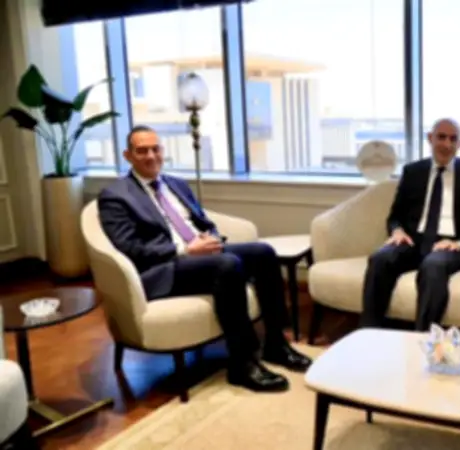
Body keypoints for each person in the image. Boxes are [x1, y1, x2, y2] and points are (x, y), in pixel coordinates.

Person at [98, 125, 311, 393]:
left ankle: (276, 344)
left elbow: (202, 221)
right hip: (164, 267)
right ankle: (242, 363)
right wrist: (185, 249)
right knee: (228, 265)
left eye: (155, 149)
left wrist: (212, 239)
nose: (151, 156)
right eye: (142, 151)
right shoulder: (115, 196)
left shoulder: (175, 184)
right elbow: (130, 248)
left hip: (200, 254)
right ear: (127, 155)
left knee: (263, 252)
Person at [361, 118, 460, 331]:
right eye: (441, 137)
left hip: (453, 245)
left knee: (433, 265)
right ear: (430, 138)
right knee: (380, 259)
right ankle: (369, 332)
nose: (447, 144)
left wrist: (459, 243)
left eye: (453, 139)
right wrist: (397, 231)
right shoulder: (413, 172)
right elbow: (395, 215)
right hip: (414, 241)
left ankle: (424, 338)